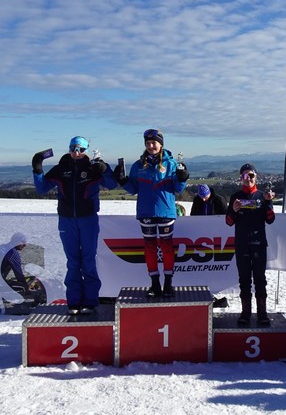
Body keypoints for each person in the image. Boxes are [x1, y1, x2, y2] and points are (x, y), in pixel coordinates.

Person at [33, 136, 118, 314]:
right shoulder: (61, 168)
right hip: (66, 219)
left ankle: (90, 301)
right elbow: (42, 188)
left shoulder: (92, 167)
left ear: (86, 150)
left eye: (79, 149)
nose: (76, 152)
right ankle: (73, 302)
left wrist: (104, 169)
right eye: (72, 148)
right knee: (73, 261)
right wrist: (37, 168)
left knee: (88, 260)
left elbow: (111, 184)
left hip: (88, 219)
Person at [114, 129, 189, 298]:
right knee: (149, 249)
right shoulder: (138, 166)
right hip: (146, 211)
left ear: (161, 144)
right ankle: (155, 283)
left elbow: (177, 188)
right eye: (148, 143)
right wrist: (123, 181)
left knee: (167, 248)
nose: (151, 146)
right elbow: (133, 189)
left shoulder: (171, 164)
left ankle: (168, 283)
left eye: (154, 143)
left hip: (165, 212)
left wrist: (182, 178)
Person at [225, 163, 275, 326]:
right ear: (241, 178)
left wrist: (268, 203)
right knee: (244, 280)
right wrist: (233, 210)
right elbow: (229, 222)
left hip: (259, 244)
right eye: (245, 176)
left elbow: (270, 219)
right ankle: (245, 313)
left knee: (260, 280)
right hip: (242, 245)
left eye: (251, 175)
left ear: (256, 177)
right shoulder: (235, 196)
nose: (249, 178)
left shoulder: (263, 195)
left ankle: (262, 313)